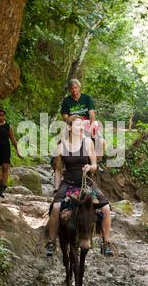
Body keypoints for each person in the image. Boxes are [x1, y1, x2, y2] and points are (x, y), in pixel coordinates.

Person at [46, 117, 114, 257]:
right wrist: (56, 190)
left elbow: (95, 166)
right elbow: (58, 170)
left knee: (106, 208)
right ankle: (52, 243)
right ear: (69, 127)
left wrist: (90, 167)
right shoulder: (61, 145)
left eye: (83, 125)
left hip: (86, 183)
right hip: (69, 183)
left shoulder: (88, 142)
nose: (82, 127)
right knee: (56, 207)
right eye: (78, 125)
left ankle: (106, 242)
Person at [61, 78, 105, 162]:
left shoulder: (87, 98)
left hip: (87, 122)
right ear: (69, 89)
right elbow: (65, 118)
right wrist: (71, 119)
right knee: (61, 140)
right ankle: (57, 163)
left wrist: (91, 128)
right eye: (71, 88)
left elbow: (92, 115)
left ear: (79, 87)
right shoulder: (66, 101)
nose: (74, 90)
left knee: (101, 141)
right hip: (73, 123)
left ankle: (97, 162)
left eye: (75, 87)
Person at [0, 109, 21, 197]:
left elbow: (13, 140)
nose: (0, 116)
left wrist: (18, 150)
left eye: (2, 115)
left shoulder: (8, 126)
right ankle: (0, 185)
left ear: (4, 116)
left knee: (5, 168)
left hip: (5, 149)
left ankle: (2, 188)